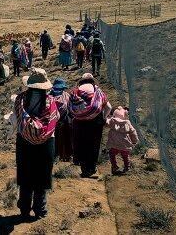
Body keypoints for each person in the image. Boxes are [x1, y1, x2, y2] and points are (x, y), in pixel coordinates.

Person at [11, 68, 59, 220]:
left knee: (25, 175)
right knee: (42, 175)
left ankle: (24, 208)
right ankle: (40, 209)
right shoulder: (51, 102)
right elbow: (55, 118)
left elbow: (16, 118)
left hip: (24, 142)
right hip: (46, 143)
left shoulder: (20, 99)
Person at [70, 73, 112, 178]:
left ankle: (84, 170)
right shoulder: (97, 91)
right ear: (92, 81)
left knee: (82, 144)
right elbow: (109, 107)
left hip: (79, 122)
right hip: (95, 122)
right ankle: (92, 168)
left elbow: (69, 107)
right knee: (94, 145)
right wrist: (104, 117)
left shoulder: (77, 91)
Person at [106, 106, 139, 175]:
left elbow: (106, 122)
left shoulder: (112, 121)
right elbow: (133, 131)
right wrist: (134, 140)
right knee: (125, 156)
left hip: (114, 144)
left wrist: (107, 116)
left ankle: (114, 166)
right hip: (125, 144)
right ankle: (127, 167)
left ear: (115, 114)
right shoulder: (127, 123)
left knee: (112, 154)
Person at [50, 78, 73, 162]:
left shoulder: (50, 96)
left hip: (57, 121)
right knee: (63, 138)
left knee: (61, 138)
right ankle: (63, 155)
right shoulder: (65, 95)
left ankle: (62, 155)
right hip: (59, 121)